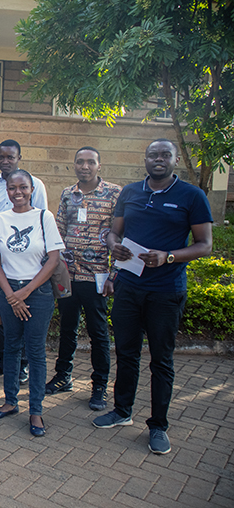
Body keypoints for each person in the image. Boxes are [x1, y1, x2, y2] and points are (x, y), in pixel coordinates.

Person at [93, 139, 212, 455]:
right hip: (129, 287)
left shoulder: (191, 196)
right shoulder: (131, 193)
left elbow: (204, 245)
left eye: (165, 155)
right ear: (144, 159)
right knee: (127, 352)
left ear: (174, 160)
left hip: (166, 290)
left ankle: (158, 425)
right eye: (153, 155)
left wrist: (169, 257)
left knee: (161, 359)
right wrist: (113, 245)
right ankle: (122, 411)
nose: (158, 159)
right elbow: (114, 231)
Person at [0, 169, 64, 437]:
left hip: (38, 294)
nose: (17, 193)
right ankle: (10, 402)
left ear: (32, 189)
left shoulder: (44, 217)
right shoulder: (0, 219)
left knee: (35, 352)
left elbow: (53, 259)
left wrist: (26, 292)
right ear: (6, 191)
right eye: (12, 188)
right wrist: (11, 295)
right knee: (11, 348)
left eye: (23, 187)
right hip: (9, 291)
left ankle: (36, 411)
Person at [46, 147, 121, 411]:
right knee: (67, 328)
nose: (85, 166)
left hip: (96, 276)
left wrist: (114, 275)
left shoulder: (114, 194)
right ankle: (63, 376)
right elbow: (59, 230)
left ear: (99, 166)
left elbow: (120, 235)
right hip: (69, 274)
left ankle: (99, 385)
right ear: (74, 165)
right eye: (80, 162)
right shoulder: (68, 194)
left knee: (98, 332)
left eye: (90, 162)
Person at [0, 139, 48, 379]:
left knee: (26, 314)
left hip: (29, 266)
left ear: (19, 157)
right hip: (2, 266)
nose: (6, 161)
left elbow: (41, 222)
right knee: (3, 316)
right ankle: (4, 359)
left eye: (10, 157)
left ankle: (24, 364)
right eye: (1, 157)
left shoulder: (35, 185)